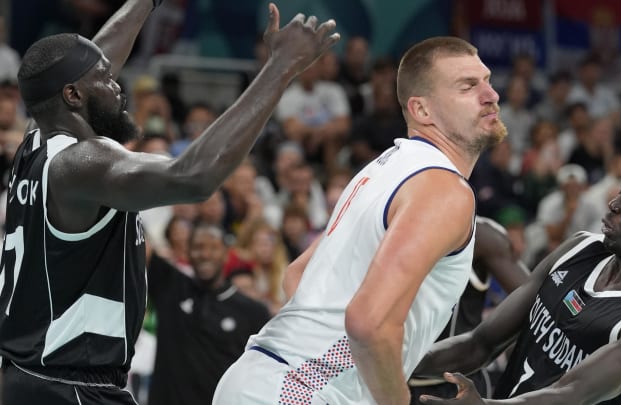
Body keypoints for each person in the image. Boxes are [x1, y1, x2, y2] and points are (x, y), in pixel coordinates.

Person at [0, 1, 339, 403]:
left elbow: (93, 58)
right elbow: (193, 178)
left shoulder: (37, 142)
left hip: (29, 378)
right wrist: (280, 67)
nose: (117, 83)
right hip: (69, 387)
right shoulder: (81, 162)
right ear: (73, 94)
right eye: (105, 79)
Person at [212, 36, 508, 405]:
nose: (490, 94)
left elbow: (297, 276)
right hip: (300, 391)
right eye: (468, 86)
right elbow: (369, 322)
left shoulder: (384, 169)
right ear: (422, 110)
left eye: (487, 80)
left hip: (258, 378)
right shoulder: (444, 190)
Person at [414, 157, 621, 405]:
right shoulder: (580, 248)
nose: (613, 203)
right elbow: (480, 344)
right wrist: (396, 358)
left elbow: (570, 395)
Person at [409, 216, 529, 403]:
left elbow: (536, 303)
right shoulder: (387, 225)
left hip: (455, 384)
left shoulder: (482, 236)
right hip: (389, 378)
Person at [147, 223, 270, 405]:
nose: (205, 254)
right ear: (187, 252)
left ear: (227, 253)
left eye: (213, 247)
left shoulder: (253, 312)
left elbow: (262, 374)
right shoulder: (171, 286)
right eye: (198, 247)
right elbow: (140, 247)